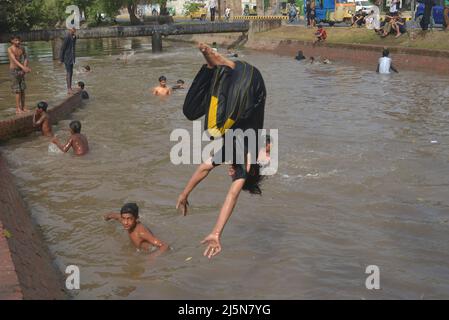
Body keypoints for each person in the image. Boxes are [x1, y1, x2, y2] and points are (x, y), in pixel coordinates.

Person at [177, 43, 266, 259]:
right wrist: (217, 233)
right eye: (232, 176)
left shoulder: (229, 152)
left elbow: (203, 169)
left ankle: (212, 66)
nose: (229, 174)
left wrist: (184, 193)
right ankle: (223, 62)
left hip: (237, 90)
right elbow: (232, 196)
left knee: (190, 111)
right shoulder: (246, 162)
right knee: (213, 130)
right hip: (252, 86)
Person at [104, 203, 169, 255]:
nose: (125, 222)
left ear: (136, 218)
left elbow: (164, 246)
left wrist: (152, 258)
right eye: (123, 218)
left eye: (129, 219)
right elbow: (113, 215)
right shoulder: (126, 221)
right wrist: (106, 217)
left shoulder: (141, 232)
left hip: (150, 250)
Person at [8, 36, 31, 114]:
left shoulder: (22, 48)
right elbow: (14, 60)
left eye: (19, 40)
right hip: (13, 71)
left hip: (21, 70)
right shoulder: (10, 49)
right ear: (12, 41)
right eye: (16, 40)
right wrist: (23, 68)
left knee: (23, 89)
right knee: (17, 91)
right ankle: (18, 109)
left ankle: (23, 107)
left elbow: (26, 58)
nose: (18, 42)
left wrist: (24, 68)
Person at [59, 27, 77, 95]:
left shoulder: (73, 37)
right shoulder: (67, 37)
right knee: (69, 72)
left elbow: (73, 47)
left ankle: (70, 87)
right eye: (73, 29)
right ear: (70, 30)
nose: (74, 30)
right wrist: (61, 59)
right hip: (67, 58)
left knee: (71, 72)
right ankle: (69, 89)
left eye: (75, 29)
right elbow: (62, 49)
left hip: (72, 57)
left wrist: (74, 38)